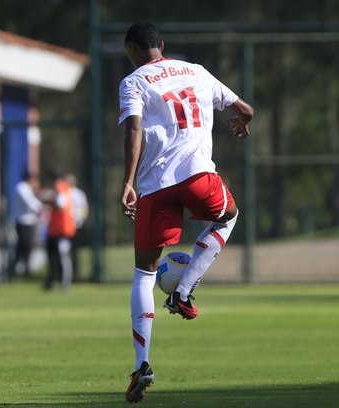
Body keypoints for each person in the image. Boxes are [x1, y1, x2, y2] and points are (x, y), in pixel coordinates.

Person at [118, 22, 254, 403]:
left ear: (131, 49)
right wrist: (243, 121)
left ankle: (143, 363)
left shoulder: (133, 82)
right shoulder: (196, 71)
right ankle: (184, 290)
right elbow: (245, 107)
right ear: (162, 45)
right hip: (198, 177)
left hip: (154, 186)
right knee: (228, 216)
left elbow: (133, 128)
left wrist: (128, 182)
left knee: (143, 274)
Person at [44, 174, 77, 291]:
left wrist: (48, 202)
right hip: (57, 230)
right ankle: (55, 281)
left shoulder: (61, 189)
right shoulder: (64, 190)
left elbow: (60, 204)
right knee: (56, 257)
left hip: (63, 231)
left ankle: (64, 282)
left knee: (63, 257)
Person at [9, 171, 42, 279]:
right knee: (24, 245)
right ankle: (19, 268)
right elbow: (32, 204)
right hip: (24, 221)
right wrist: (41, 206)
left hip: (29, 221)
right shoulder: (22, 188)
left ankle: (22, 268)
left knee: (26, 245)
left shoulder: (27, 189)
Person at [65, 173, 89, 281]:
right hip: (70, 225)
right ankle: (69, 273)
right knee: (69, 250)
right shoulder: (69, 193)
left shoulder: (78, 193)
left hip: (74, 225)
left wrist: (79, 219)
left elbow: (84, 209)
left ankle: (74, 273)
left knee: (73, 250)